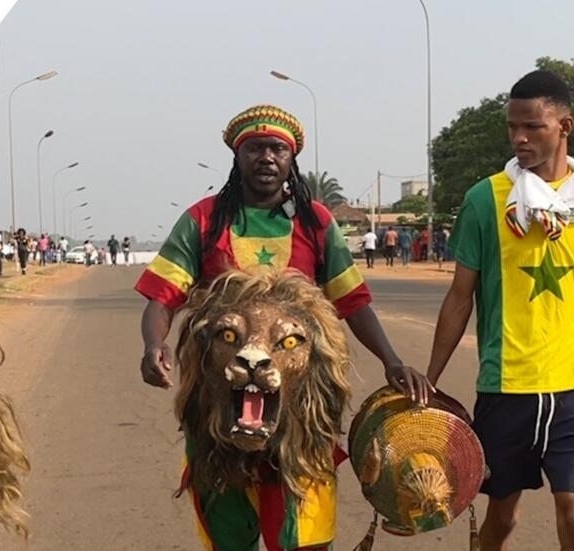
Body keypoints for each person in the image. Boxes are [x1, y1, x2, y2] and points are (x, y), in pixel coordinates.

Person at [134, 104, 431, 551]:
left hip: (299, 418)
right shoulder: (204, 219)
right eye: (255, 148)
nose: (267, 158)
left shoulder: (316, 222)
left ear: (291, 160)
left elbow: (352, 301)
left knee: (304, 539)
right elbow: (163, 296)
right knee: (227, 538)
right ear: (238, 156)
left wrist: (391, 361)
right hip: (221, 408)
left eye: (278, 149)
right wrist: (153, 343)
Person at [425, 70, 574, 551]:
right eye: (513, 127)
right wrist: (431, 380)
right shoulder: (484, 201)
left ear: (565, 126)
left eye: (533, 127)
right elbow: (459, 298)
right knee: (503, 516)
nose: (520, 138)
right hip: (506, 388)